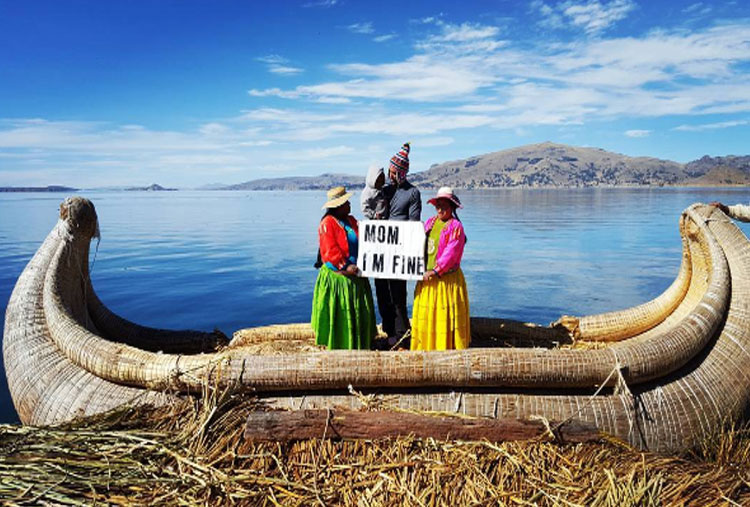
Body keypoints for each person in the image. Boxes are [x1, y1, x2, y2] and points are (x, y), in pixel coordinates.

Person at [311, 186, 377, 350]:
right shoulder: (327, 224)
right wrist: (347, 267)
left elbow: (365, 237)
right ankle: (339, 341)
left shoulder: (351, 220)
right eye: (346, 202)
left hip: (356, 274)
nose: (349, 204)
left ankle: (359, 341)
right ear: (338, 206)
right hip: (339, 278)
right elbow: (330, 251)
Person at [410, 187, 470, 351]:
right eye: (438, 205)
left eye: (444, 206)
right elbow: (418, 243)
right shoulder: (430, 223)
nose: (440, 209)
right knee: (428, 314)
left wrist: (436, 271)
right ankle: (426, 346)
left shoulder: (456, 227)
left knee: (444, 314)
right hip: (427, 278)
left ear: (452, 207)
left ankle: (446, 347)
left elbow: (451, 253)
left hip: (445, 280)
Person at [377, 142, 421, 345]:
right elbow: (376, 213)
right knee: (382, 292)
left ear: (402, 172)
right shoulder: (385, 190)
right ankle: (388, 332)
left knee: (398, 294)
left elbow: (413, 222)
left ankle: (403, 334)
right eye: (389, 170)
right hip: (381, 249)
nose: (390, 174)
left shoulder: (412, 193)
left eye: (393, 171)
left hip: (399, 252)